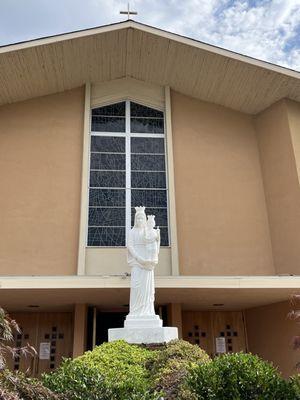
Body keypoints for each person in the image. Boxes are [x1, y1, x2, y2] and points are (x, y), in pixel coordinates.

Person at [127, 207, 159, 317]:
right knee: (136, 287)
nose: (140, 220)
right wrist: (138, 258)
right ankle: (135, 311)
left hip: (147, 263)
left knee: (147, 288)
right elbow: (130, 246)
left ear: (145, 219)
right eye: (138, 218)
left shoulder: (148, 231)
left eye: (142, 218)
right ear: (135, 220)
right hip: (137, 262)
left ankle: (147, 311)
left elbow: (154, 243)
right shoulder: (132, 232)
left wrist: (157, 237)